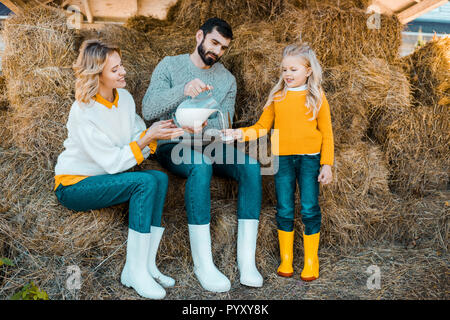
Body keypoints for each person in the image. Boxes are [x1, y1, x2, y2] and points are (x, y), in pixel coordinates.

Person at [53, 39, 184, 299]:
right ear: (96, 75)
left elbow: (138, 136)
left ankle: (146, 265)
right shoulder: (83, 111)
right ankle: (135, 271)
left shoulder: (124, 98)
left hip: (105, 177)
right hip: (75, 184)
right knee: (144, 182)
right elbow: (113, 163)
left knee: (158, 177)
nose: (123, 71)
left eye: (121, 65)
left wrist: (169, 131)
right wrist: (147, 137)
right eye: (115, 70)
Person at [141, 18, 263, 292]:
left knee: (252, 166)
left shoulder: (227, 80)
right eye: (214, 42)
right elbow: (148, 109)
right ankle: (203, 264)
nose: (217, 51)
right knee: (201, 164)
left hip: (207, 142)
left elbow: (225, 124)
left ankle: (247, 261)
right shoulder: (169, 65)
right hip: (173, 143)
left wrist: (207, 128)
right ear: (199, 36)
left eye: (223, 47)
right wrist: (182, 91)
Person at [223, 43, 334, 281]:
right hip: (282, 160)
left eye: (293, 69)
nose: (287, 74)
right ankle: (286, 259)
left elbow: (327, 132)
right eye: (284, 70)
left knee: (309, 208)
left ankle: (310, 261)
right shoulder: (277, 96)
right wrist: (239, 134)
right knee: (284, 208)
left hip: (310, 160)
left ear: (308, 71)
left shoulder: (317, 97)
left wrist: (327, 163)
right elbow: (262, 128)